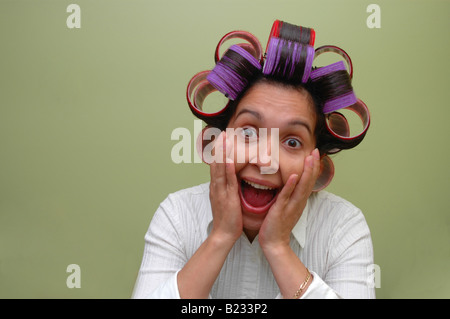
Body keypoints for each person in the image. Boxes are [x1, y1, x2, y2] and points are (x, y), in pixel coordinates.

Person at [132, 20, 374, 299]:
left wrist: (278, 247)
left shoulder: (344, 227)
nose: (265, 160)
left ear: (317, 165)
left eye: (292, 141)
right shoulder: (177, 215)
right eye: (248, 133)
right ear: (217, 141)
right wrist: (220, 237)